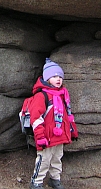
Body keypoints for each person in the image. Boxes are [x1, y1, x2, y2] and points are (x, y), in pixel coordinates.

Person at [29, 58, 78, 189]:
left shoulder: (62, 94)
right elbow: (36, 117)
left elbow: (67, 116)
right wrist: (40, 136)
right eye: (54, 76)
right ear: (47, 78)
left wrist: (72, 130)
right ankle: (36, 182)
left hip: (59, 135)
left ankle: (55, 179)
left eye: (60, 76)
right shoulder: (42, 96)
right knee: (44, 159)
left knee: (57, 159)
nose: (58, 79)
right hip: (46, 135)